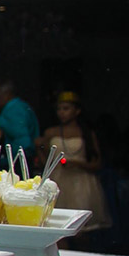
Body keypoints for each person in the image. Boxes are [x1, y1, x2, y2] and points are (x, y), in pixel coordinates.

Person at [40, 92, 110, 231]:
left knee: (81, 229)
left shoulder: (87, 133)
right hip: (58, 179)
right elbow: (45, 162)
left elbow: (97, 163)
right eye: (59, 109)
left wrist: (78, 164)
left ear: (77, 111)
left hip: (81, 182)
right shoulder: (51, 132)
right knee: (54, 226)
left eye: (66, 108)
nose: (61, 113)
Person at [0, 79, 39, 165]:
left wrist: (1, 162)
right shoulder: (21, 106)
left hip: (18, 164)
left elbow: (23, 143)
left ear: (6, 94)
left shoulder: (14, 110)